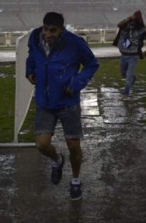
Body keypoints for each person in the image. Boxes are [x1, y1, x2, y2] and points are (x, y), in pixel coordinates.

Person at [26, 12, 99, 201]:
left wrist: (76, 83)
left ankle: (75, 181)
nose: (47, 34)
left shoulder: (75, 43)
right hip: (44, 101)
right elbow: (31, 56)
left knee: (74, 146)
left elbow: (92, 64)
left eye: (53, 30)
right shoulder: (35, 37)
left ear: (61, 29)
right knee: (41, 144)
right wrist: (30, 71)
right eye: (45, 29)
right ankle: (58, 161)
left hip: (68, 102)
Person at [115, 10, 146, 98]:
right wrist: (128, 19)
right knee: (123, 73)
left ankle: (126, 94)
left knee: (128, 76)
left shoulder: (142, 29)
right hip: (124, 54)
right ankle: (133, 78)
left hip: (133, 56)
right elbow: (119, 25)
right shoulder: (127, 25)